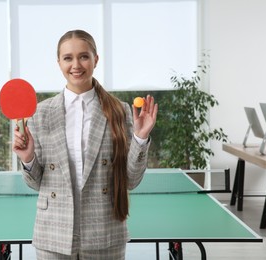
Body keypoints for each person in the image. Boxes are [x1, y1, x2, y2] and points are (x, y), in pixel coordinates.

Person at [13, 29, 158, 260]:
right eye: (68, 58)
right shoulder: (40, 113)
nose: (76, 65)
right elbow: (35, 183)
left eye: (83, 56)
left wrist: (140, 138)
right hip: (53, 233)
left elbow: (131, 180)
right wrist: (28, 158)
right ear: (58, 62)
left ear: (95, 59)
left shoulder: (120, 111)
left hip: (105, 233)